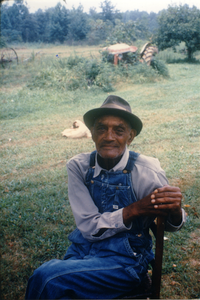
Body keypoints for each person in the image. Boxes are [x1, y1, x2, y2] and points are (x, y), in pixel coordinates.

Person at [25, 95, 186, 299]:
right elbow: (89, 226)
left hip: (125, 262)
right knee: (58, 290)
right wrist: (134, 209)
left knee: (46, 278)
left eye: (119, 130)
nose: (109, 137)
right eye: (101, 128)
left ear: (131, 136)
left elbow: (172, 224)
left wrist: (174, 212)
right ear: (91, 132)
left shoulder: (146, 170)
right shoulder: (79, 166)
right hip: (83, 250)